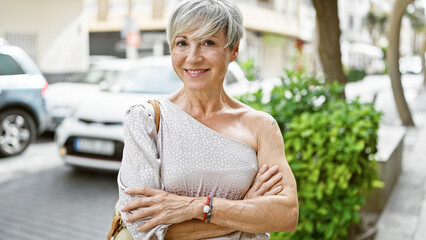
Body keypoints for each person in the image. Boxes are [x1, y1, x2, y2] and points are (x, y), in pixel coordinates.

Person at [116, 0, 299, 239]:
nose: (192, 57)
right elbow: (143, 227)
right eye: (182, 43)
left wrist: (196, 207)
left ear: (233, 50)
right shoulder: (147, 120)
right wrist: (246, 210)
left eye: (208, 43)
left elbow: (286, 214)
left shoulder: (261, 126)